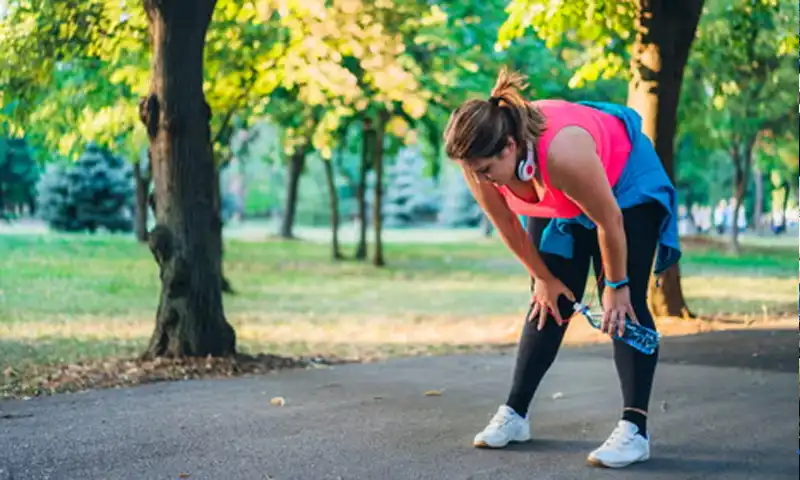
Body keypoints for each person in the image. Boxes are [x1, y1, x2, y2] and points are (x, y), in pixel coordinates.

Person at [442, 68, 681, 469]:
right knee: (547, 301)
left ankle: (635, 431)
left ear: (510, 147)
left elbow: (609, 222)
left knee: (624, 306)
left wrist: (617, 285)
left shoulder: (563, 154)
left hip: (624, 188)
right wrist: (544, 279)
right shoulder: (480, 161)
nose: (478, 178)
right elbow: (509, 229)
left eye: (484, 169)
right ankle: (515, 414)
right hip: (559, 194)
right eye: (473, 170)